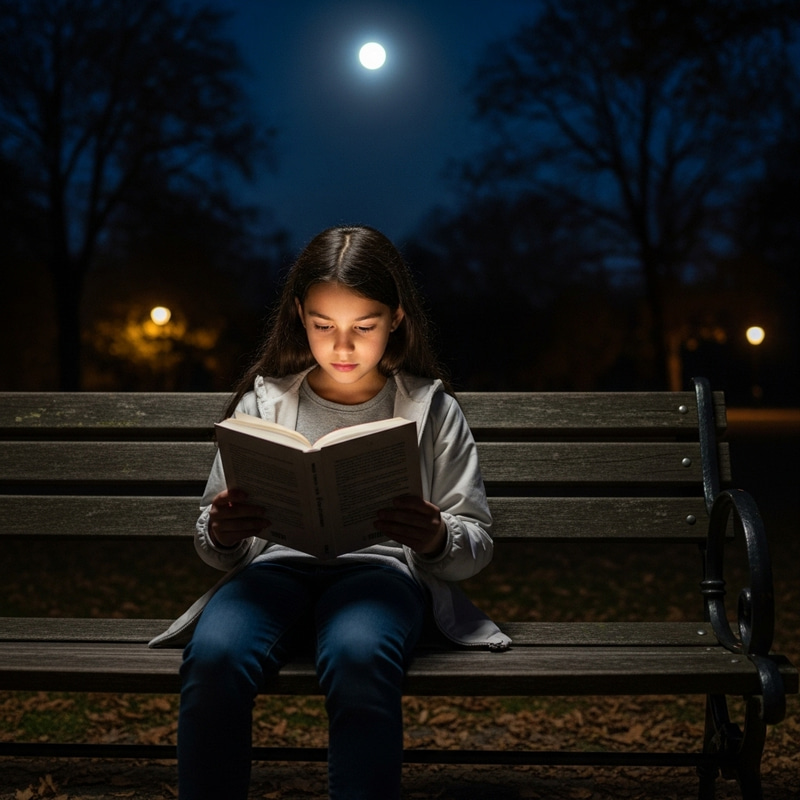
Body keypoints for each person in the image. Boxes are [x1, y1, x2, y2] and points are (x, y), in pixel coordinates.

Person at [149, 225, 510, 800]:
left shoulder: (429, 408)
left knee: (360, 654)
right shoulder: (263, 402)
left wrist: (438, 536)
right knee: (215, 656)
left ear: (396, 319)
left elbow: (477, 544)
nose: (343, 347)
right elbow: (213, 535)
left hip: (380, 572)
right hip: (275, 569)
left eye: (363, 327)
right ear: (299, 315)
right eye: (323, 326)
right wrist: (221, 532)